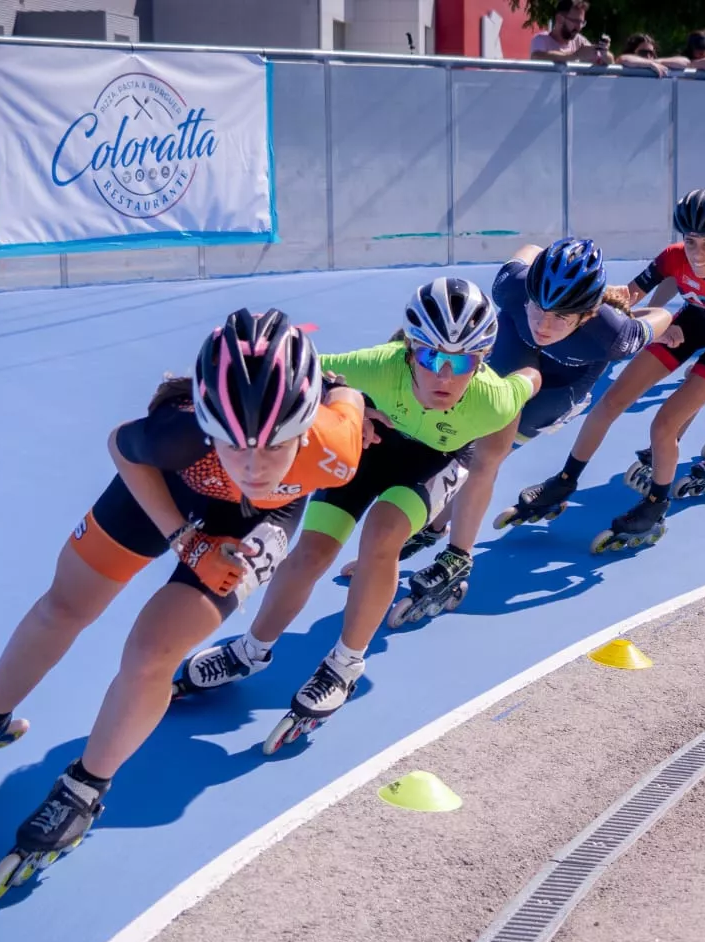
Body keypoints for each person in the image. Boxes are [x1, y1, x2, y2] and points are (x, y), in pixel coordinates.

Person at [0, 310, 365, 902]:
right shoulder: (180, 435)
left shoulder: (339, 446)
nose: (250, 464)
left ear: (305, 424)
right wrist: (184, 538)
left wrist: (349, 398)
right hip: (172, 486)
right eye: (232, 441)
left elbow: (346, 392)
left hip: (259, 523)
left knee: (151, 656)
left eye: (272, 444)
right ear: (206, 423)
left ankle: (85, 788)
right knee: (65, 605)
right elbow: (121, 447)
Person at [172, 280, 534, 753]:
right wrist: (350, 409)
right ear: (409, 351)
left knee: (382, 536)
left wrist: (492, 454)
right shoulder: (379, 366)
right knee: (311, 553)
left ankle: (346, 664)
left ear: (480, 361)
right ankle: (251, 650)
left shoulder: (493, 398)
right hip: (372, 449)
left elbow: (529, 380)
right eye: (430, 358)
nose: (443, 374)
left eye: (460, 362)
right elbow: (302, 376)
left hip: (435, 461)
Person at [394, 240, 669, 618]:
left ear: (587, 314)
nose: (544, 324)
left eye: (560, 317)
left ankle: (453, 550)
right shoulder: (512, 285)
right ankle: (437, 525)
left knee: (484, 457)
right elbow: (531, 247)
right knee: (457, 442)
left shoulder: (616, 334)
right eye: (539, 308)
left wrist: (642, 313)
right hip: (514, 352)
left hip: (560, 386)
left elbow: (661, 316)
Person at [580, 190, 705, 551]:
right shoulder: (673, 258)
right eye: (691, 242)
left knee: (665, 422)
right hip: (691, 323)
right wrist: (593, 299)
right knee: (620, 398)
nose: (697, 253)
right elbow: (628, 296)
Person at [530, 1, 611, 65]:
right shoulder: (541, 39)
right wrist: (575, 56)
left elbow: (608, 62)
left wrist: (604, 53)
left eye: (582, 23)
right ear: (559, 18)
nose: (579, 27)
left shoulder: (579, 40)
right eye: (575, 21)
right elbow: (536, 57)